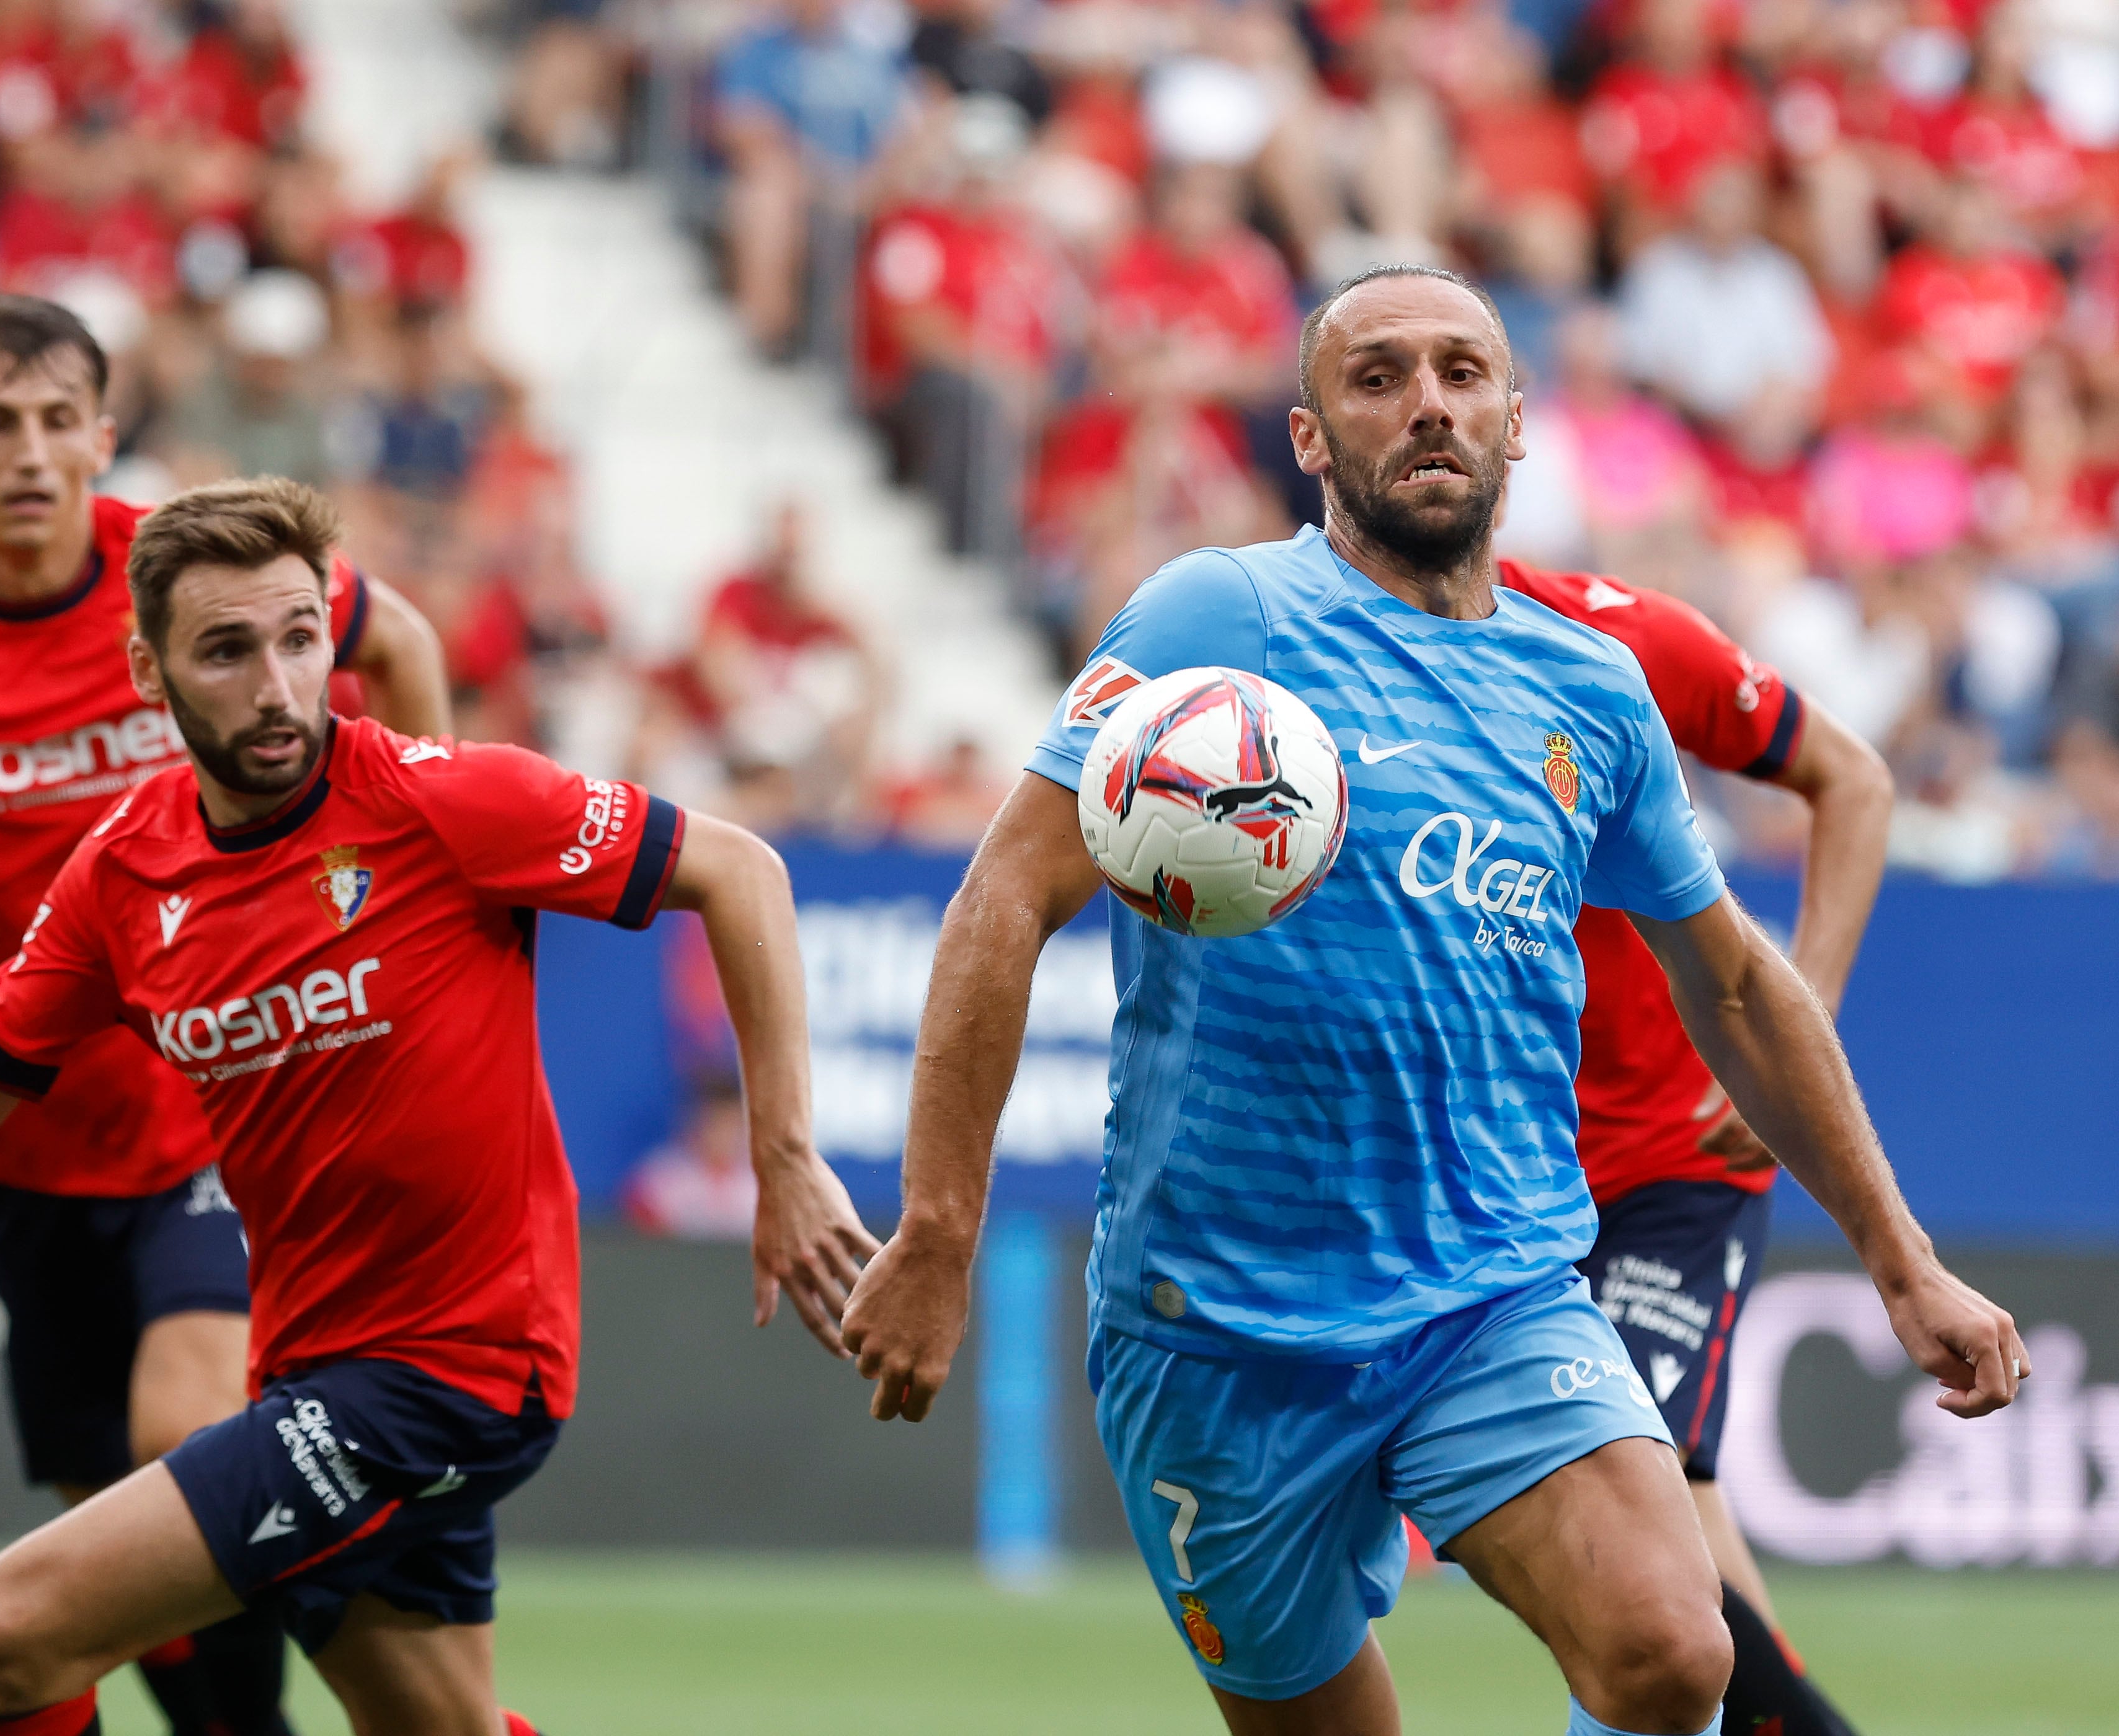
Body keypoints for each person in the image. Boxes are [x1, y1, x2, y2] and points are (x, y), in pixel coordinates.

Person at [837, 265, 2030, 1736]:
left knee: (1673, 1645)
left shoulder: (1593, 691)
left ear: (1518, 422)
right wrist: (939, 1231)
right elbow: (1002, 898)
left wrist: (1900, 1260)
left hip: (1492, 1292)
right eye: (1379, 375)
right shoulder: (1219, 614)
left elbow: (1728, 974)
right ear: (1309, 434)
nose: (1427, 405)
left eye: (1463, 372)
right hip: (1215, 1325)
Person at [0, 476, 877, 1736]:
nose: (278, 683)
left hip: (459, 1367)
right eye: (227, 649)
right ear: (148, 669)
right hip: (313, 1360)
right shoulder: (123, 875)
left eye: (298, 637)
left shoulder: (438, 798)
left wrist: (785, 1160)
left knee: (12, 1631)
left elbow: (742, 869)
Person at [0, 293, 451, 1736]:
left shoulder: (187, 580)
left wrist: (408, 836)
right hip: (21, 1128)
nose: (29, 453)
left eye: (56, 420)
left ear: (102, 432)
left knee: (184, 1435)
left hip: (217, 1102)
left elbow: (397, 640)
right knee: (102, 1527)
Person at [1502, 558, 1888, 1736]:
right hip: (1508, 1181)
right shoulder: (1339, 661)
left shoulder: (1625, 640)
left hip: (1677, 1160)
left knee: (1628, 1522)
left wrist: (1799, 1022)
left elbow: (1854, 781)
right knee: (1679, 1527)